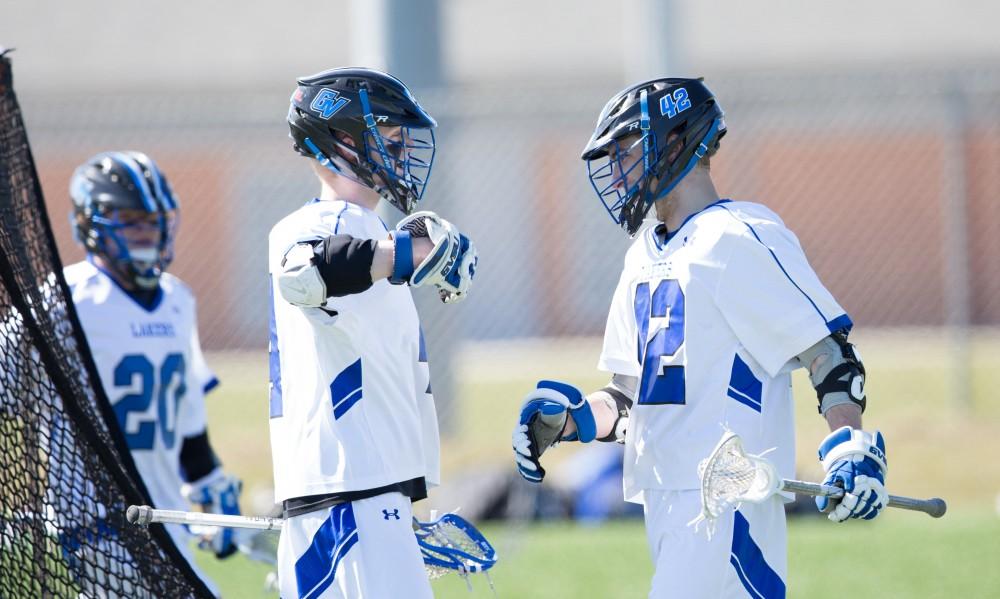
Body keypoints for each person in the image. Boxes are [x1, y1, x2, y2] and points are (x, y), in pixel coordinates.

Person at [511, 78, 887, 598]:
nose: (617, 169)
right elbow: (629, 396)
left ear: (674, 142)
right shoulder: (644, 251)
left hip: (726, 502)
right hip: (665, 501)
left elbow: (829, 353)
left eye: (626, 150)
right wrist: (571, 422)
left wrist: (850, 447)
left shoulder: (737, 235)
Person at [269, 67, 478, 599]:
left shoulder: (364, 226)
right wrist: (404, 253)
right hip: (346, 496)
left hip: (364, 493)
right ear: (340, 141)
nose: (401, 154)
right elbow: (302, 272)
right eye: (388, 140)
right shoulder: (324, 224)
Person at [64, 151, 242, 594]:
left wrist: (208, 481)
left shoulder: (178, 300)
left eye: (152, 220)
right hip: (96, 524)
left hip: (163, 520)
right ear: (92, 223)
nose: (145, 232)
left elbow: (187, 421)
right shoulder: (64, 299)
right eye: (130, 220)